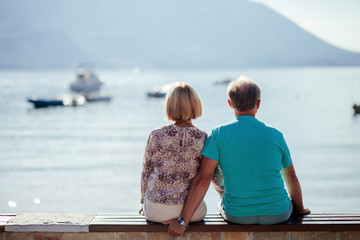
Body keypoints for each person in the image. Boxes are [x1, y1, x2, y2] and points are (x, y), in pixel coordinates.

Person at [164, 76, 310, 237]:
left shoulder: (218, 134)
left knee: (223, 199)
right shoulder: (276, 135)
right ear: (258, 103)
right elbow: (291, 177)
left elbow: (203, 179)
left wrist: (182, 221)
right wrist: (300, 209)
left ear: (230, 103)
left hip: (237, 215)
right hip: (278, 213)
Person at [140, 82, 224, 223]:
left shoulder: (156, 135)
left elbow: (146, 172)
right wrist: (223, 195)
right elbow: (214, 175)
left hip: (156, 211)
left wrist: (143, 200)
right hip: (193, 212)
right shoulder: (204, 138)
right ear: (195, 105)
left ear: (169, 105)